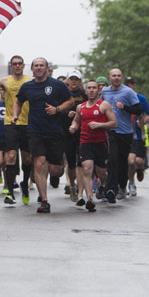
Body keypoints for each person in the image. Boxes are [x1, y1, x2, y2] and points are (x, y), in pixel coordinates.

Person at [12, 57, 74, 213]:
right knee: (39, 163)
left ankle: (53, 173)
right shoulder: (27, 87)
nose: (39, 68)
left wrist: (57, 109)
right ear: (32, 69)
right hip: (35, 131)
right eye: (36, 66)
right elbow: (18, 102)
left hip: (54, 131)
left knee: (55, 169)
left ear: (47, 68)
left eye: (42, 65)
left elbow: (70, 101)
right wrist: (15, 116)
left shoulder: (57, 85)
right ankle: (44, 201)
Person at [0, 55, 32, 205]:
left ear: (23, 66)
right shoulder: (5, 80)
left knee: (27, 158)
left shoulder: (29, 81)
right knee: (11, 157)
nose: (17, 66)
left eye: (19, 63)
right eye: (14, 64)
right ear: (11, 66)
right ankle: (10, 192)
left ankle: (24, 183)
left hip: (28, 123)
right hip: (11, 123)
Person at [69, 80, 117, 212]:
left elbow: (114, 123)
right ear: (86, 91)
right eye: (89, 88)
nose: (91, 90)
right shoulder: (81, 107)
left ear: (98, 91)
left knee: (102, 172)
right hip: (85, 142)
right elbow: (76, 121)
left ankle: (102, 184)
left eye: (94, 88)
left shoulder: (104, 105)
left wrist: (100, 125)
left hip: (101, 143)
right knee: (87, 168)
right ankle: (90, 199)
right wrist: (73, 127)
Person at [100, 68, 142, 203]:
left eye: (119, 76)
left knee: (123, 162)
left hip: (125, 132)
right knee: (112, 159)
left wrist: (125, 107)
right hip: (111, 131)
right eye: (114, 76)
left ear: (121, 77)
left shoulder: (128, 92)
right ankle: (111, 189)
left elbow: (138, 110)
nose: (116, 78)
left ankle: (122, 186)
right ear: (110, 77)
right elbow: (99, 107)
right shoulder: (105, 91)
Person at [61, 70, 87, 201]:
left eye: (76, 79)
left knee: (82, 163)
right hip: (67, 133)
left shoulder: (84, 94)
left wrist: (78, 115)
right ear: (68, 80)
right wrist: (67, 113)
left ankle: (81, 192)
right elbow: (57, 111)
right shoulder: (63, 94)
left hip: (82, 133)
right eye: (71, 78)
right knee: (71, 163)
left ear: (80, 81)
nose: (73, 81)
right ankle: (72, 185)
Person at [124, 77, 149, 196]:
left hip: (138, 135)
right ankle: (130, 183)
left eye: (131, 84)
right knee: (129, 162)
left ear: (134, 85)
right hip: (124, 134)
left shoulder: (141, 98)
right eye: (127, 84)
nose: (129, 86)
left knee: (138, 161)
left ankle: (139, 169)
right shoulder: (121, 97)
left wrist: (143, 123)